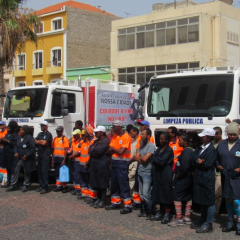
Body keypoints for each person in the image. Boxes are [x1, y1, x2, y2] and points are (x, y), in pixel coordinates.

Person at [190, 128, 217, 233]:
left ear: (209, 137)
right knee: (202, 200)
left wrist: (199, 161)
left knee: (209, 201)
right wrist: (198, 160)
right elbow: (193, 157)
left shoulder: (212, 150)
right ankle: (202, 219)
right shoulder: (200, 147)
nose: (201, 137)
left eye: (204, 136)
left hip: (207, 178)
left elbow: (207, 164)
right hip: (199, 177)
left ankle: (209, 223)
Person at [217, 122, 240, 235]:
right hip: (225, 175)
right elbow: (216, 157)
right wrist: (218, 165)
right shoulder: (222, 144)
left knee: (236, 200)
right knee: (228, 200)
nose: (232, 136)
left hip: (237, 177)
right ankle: (230, 222)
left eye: (234, 135)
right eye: (230, 134)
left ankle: (239, 224)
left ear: (238, 134)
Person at [105, 120, 132, 214]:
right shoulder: (115, 136)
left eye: (114, 126)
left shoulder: (126, 137)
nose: (113, 128)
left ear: (120, 127)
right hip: (115, 163)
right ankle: (115, 202)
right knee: (114, 184)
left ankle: (128, 205)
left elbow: (121, 152)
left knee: (123, 184)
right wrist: (114, 149)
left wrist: (113, 149)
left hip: (122, 164)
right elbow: (110, 149)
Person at [168, 134, 193, 227]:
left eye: (181, 140)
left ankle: (179, 218)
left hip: (184, 178)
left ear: (185, 142)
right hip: (187, 178)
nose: (179, 142)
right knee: (187, 196)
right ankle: (187, 217)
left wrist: (179, 174)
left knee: (177, 196)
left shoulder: (187, 151)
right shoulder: (187, 150)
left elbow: (185, 166)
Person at [151, 132, 174, 223]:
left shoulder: (169, 150)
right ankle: (160, 212)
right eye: (160, 139)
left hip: (165, 174)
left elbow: (162, 161)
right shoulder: (159, 149)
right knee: (158, 193)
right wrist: (155, 159)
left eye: (162, 139)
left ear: (167, 140)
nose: (160, 140)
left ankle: (167, 214)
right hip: (157, 174)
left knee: (166, 194)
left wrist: (155, 159)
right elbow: (153, 159)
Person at [6, 125, 35, 192]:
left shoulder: (30, 138)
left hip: (26, 158)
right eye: (20, 130)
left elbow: (32, 148)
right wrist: (15, 152)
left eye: (22, 130)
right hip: (18, 157)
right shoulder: (18, 137)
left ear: (25, 131)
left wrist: (26, 155)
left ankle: (26, 185)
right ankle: (13, 184)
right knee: (15, 170)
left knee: (27, 171)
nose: (20, 131)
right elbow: (16, 146)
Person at [134, 128, 155, 217]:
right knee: (141, 193)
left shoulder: (151, 146)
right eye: (141, 134)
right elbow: (136, 157)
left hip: (147, 173)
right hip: (140, 171)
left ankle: (151, 210)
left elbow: (146, 159)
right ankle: (144, 210)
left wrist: (141, 159)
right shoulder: (141, 145)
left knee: (146, 193)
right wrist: (141, 159)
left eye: (143, 134)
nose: (141, 136)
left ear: (148, 136)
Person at [88, 126, 110, 208]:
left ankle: (103, 200)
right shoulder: (96, 141)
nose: (95, 133)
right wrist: (93, 151)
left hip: (102, 165)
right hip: (95, 165)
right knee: (96, 182)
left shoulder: (105, 142)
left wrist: (93, 151)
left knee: (102, 183)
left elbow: (98, 151)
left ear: (102, 132)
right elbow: (90, 150)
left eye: (97, 132)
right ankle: (98, 198)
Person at [78, 126, 95, 201]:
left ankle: (90, 194)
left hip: (87, 164)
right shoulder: (83, 141)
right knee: (82, 179)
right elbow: (79, 146)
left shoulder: (91, 142)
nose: (83, 133)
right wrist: (83, 140)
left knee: (89, 180)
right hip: (81, 164)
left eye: (85, 131)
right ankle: (84, 193)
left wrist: (87, 163)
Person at [35, 121, 53, 194]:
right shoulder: (40, 134)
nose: (41, 127)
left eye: (43, 125)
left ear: (46, 126)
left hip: (46, 155)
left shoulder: (48, 134)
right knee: (39, 171)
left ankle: (45, 187)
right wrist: (40, 142)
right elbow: (35, 141)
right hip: (40, 155)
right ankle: (41, 185)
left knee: (44, 171)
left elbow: (44, 143)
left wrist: (40, 142)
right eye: (41, 125)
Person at [52, 126, 69, 193]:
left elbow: (66, 150)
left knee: (63, 173)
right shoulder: (55, 139)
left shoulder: (64, 139)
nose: (57, 132)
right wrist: (52, 160)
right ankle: (58, 186)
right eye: (57, 131)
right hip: (56, 158)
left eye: (59, 131)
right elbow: (53, 150)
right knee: (57, 172)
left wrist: (64, 160)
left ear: (62, 131)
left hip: (62, 158)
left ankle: (64, 186)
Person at [1, 121, 18, 187]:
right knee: (7, 168)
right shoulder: (7, 134)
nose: (8, 129)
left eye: (9, 128)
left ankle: (13, 183)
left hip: (11, 154)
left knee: (12, 169)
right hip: (6, 153)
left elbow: (14, 144)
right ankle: (8, 181)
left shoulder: (15, 135)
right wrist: (2, 140)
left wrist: (7, 141)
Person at [212, 126, 223, 220]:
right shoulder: (211, 143)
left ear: (220, 134)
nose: (214, 135)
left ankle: (216, 212)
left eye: (216, 133)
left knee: (217, 194)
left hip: (219, 172)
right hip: (211, 172)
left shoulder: (223, 143)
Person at [69, 129, 82, 196]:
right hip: (74, 161)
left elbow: (79, 152)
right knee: (74, 175)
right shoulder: (74, 141)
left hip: (78, 161)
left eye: (75, 135)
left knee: (77, 175)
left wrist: (72, 155)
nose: (73, 136)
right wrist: (68, 152)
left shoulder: (80, 142)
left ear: (78, 135)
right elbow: (71, 149)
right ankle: (76, 188)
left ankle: (78, 189)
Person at [129, 127, 139, 196]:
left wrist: (130, 160)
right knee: (131, 180)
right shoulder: (133, 141)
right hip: (131, 164)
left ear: (136, 132)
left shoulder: (138, 142)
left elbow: (136, 155)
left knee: (131, 178)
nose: (130, 134)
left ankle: (133, 196)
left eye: (131, 132)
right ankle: (131, 195)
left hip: (135, 164)